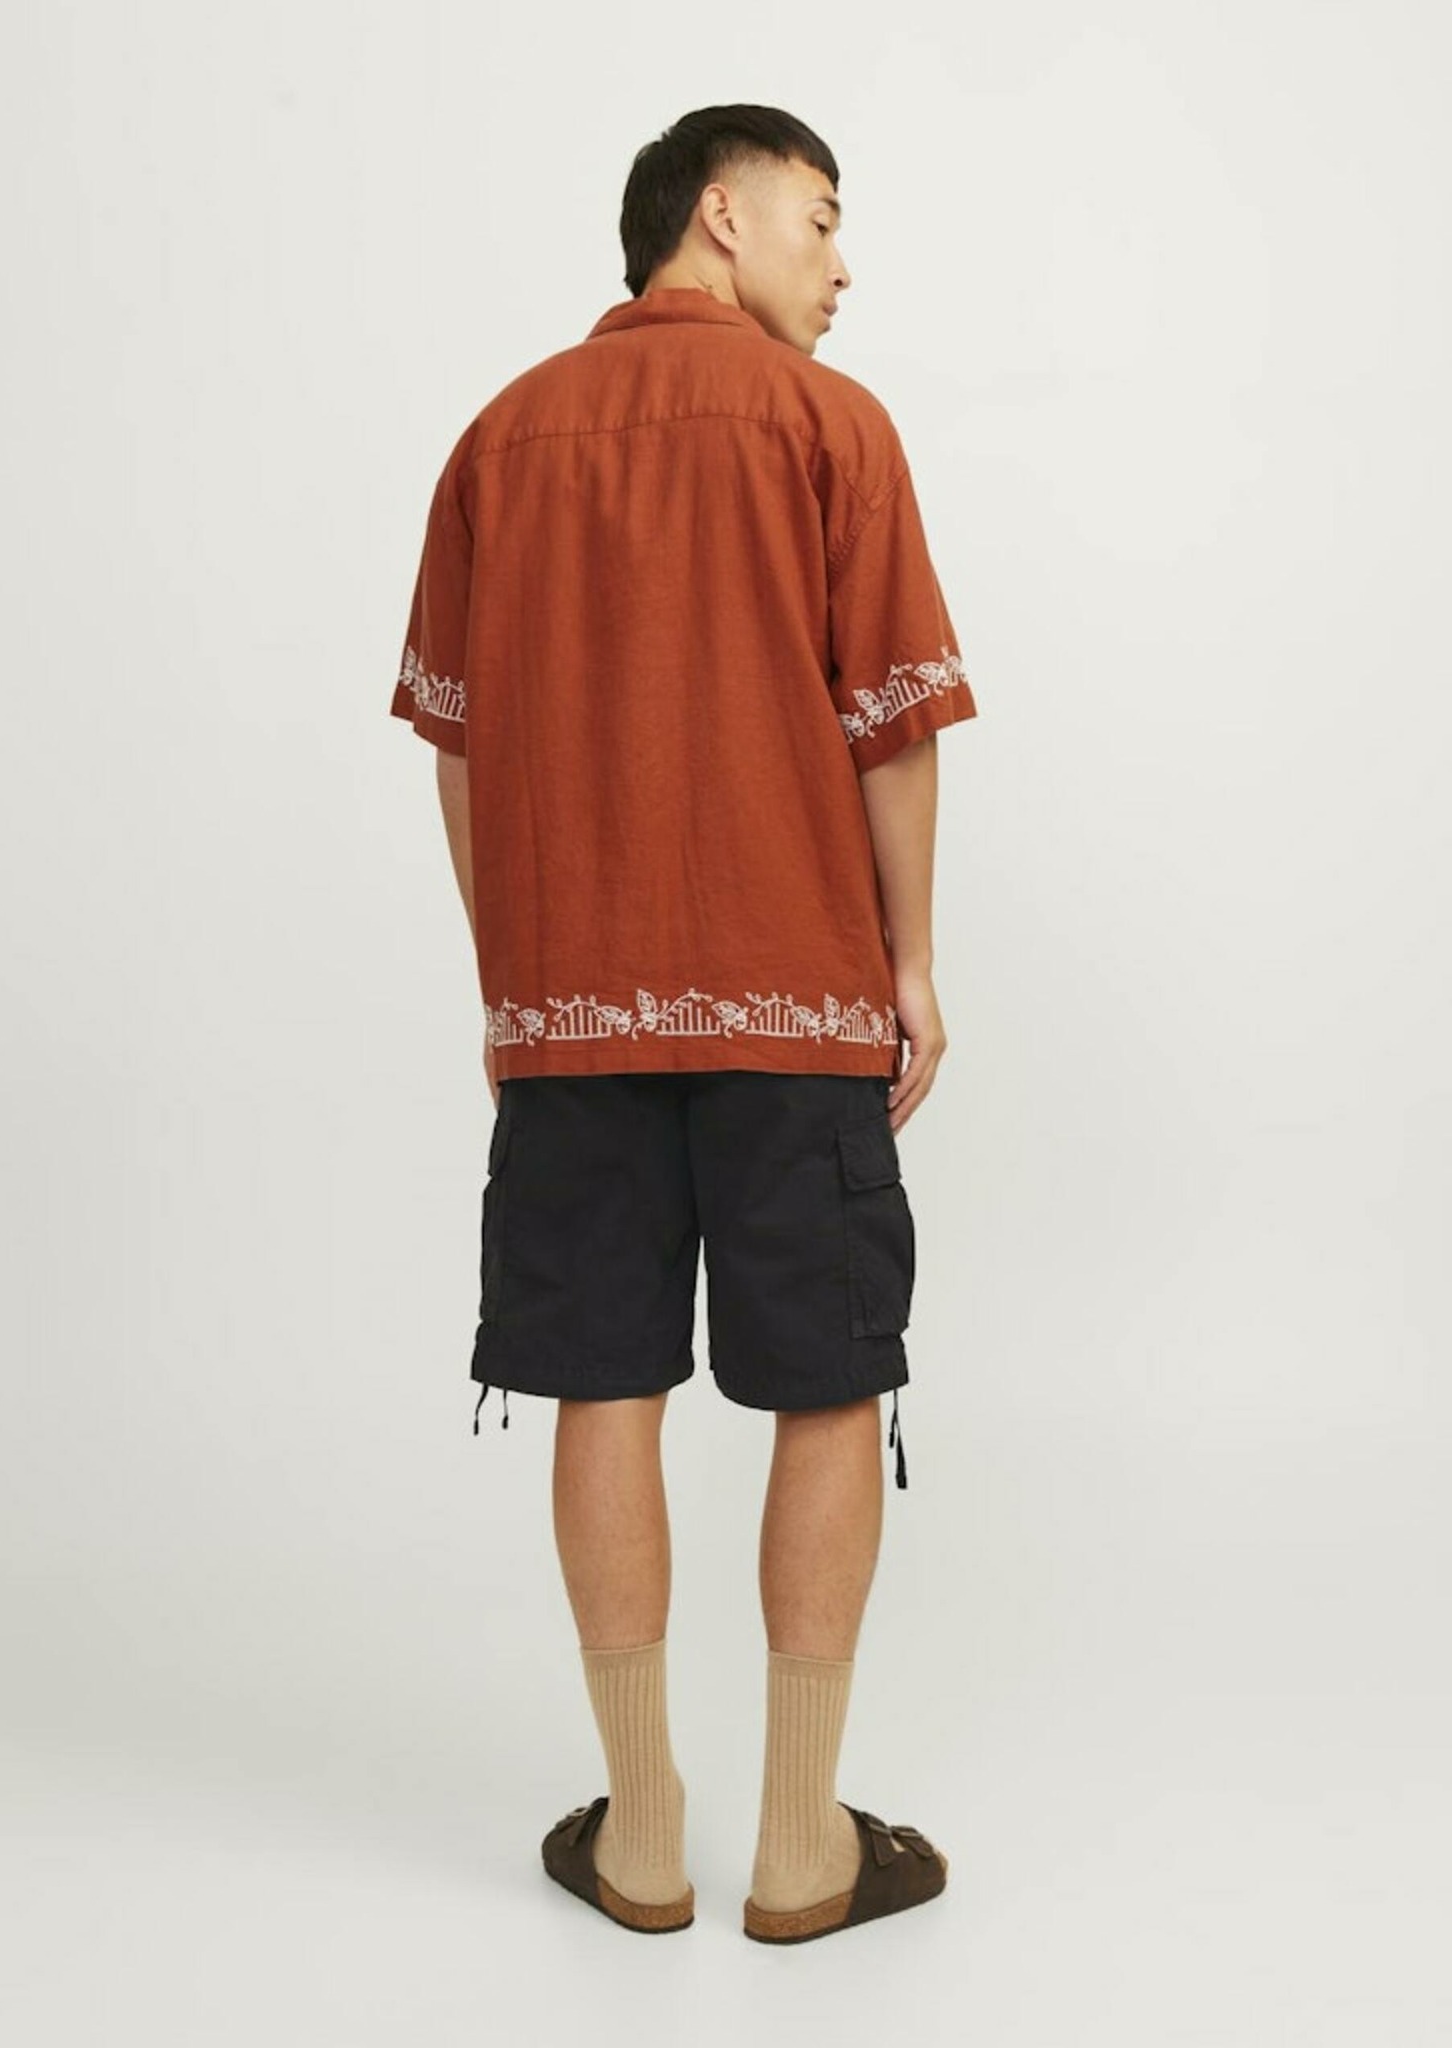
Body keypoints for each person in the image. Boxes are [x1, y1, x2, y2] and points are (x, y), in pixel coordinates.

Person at [389, 103, 977, 1943]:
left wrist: (520, 972)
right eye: (820, 219)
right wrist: (910, 963)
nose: (842, 265)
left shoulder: (500, 438)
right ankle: (803, 1849)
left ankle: (641, 1836)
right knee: (828, 1383)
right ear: (720, 216)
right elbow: (893, 724)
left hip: (572, 1012)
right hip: (796, 996)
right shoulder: (828, 426)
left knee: (602, 1381)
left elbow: (459, 747)